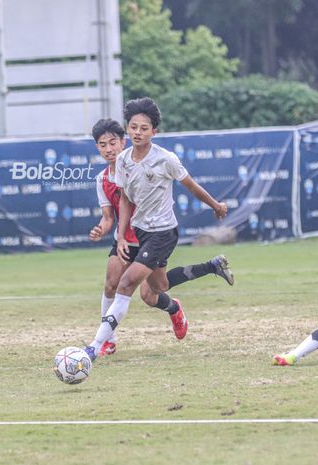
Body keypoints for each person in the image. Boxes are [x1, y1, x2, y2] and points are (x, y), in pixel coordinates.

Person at [84, 98, 228, 361]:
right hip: (138, 232)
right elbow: (126, 199)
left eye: (144, 128)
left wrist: (216, 205)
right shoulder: (125, 160)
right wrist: (120, 237)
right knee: (154, 291)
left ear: (154, 132)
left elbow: (191, 185)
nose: (138, 132)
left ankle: (95, 346)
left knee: (126, 285)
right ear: (128, 129)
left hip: (162, 232)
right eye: (134, 127)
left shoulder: (166, 159)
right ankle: (199, 280)